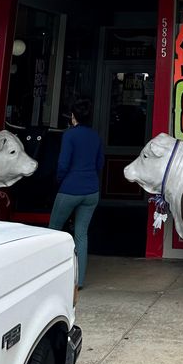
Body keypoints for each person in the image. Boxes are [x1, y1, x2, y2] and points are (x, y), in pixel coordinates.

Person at [48, 98, 103, 289]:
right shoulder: (95, 136)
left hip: (70, 188)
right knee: (81, 235)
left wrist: (60, 179)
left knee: (54, 230)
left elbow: (63, 163)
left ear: (74, 117)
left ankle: (46, 274)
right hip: (92, 190)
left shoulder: (70, 135)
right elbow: (99, 164)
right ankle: (79, 281)